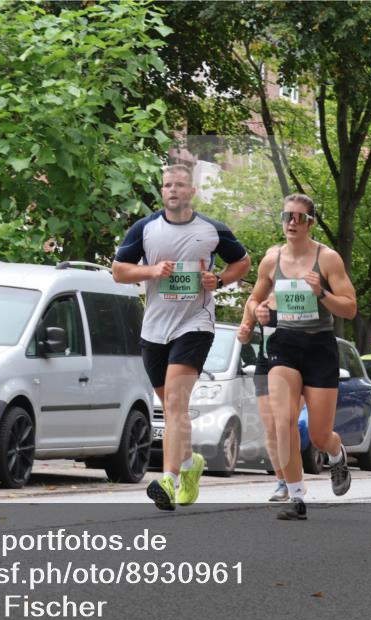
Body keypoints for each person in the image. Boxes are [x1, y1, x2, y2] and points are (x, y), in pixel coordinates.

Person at [112, 164, 251, 511]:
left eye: (180, 185)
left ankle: (168, 481)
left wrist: (218, 281)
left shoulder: (212, 230)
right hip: (155, 329)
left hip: (195, 325)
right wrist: (151, 271)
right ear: (163, 191)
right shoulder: (145, 229)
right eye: (167, 185)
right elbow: (118, 272)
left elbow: (243, 263)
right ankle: (191, 464)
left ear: (192, 191)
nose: (173, 190)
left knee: (175, 404)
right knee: (175, 409)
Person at [241, 193, 357, 520]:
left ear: (311, 223)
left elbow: (349, 307)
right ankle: (295, 496)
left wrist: (322, 293)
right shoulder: (271, 259)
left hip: (319, 346)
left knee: (320, 435)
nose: (292, 222)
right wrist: (256, 313)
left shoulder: (328, 259)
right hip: (284, 344)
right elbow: (253, 300)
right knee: (283, 420)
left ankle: (336, 455)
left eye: (299, 217)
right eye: (287, 216)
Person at [238, 291, 289, 501]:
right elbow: (245, 333)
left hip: (294, 365)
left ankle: (293, 477)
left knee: (285, 425)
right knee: (271, 428)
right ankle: (282, 482)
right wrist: (243, 333)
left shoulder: (299, 292)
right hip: (265, 365)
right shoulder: (258, 298)